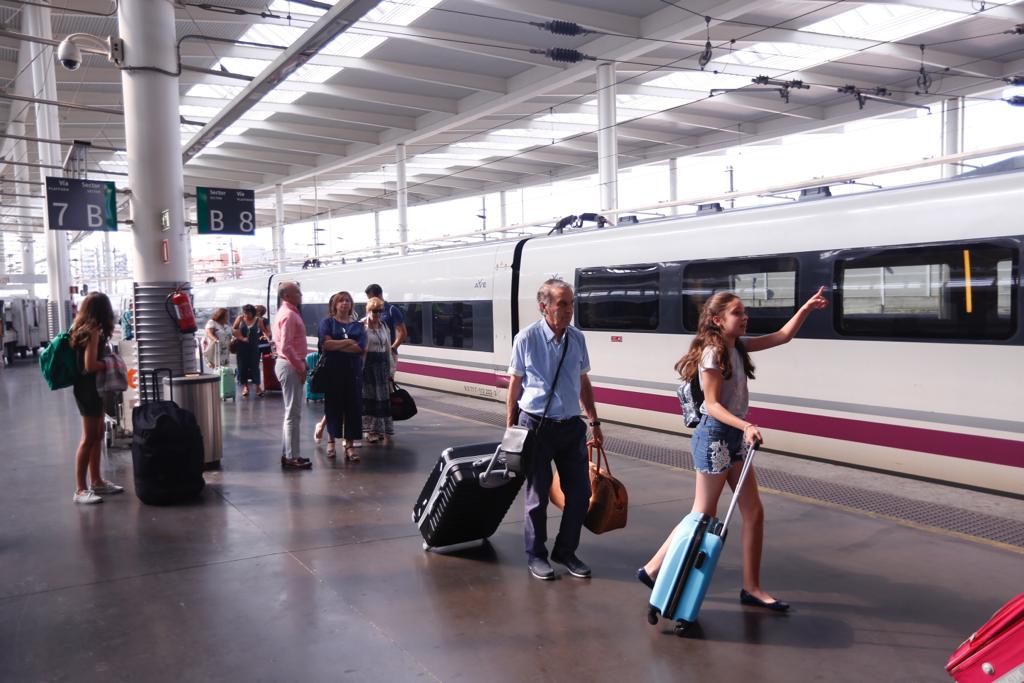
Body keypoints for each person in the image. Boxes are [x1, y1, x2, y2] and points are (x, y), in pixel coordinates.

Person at [637, 286, 829, 610]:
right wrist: (747, 426)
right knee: (703, 513)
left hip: (734, 436)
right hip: (714, 435)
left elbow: (782, 336)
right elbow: (711, 405)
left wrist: (807, 308)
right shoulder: (713, 353)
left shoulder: (736, 347)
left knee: (753, 511)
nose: (745, 317)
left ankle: (752, 588)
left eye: (744, 312)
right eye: (738, 313)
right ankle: (653, 567)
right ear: (717, 319)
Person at [506, 278, 603, 581]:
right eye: (562, 303)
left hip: (570, 426)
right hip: (535, 426)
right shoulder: (526, 339)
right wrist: (510, 426)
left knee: (580, 493)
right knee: (538, 495)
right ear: (544, 306)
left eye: (571, 303)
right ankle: (536, 554)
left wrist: (594, 421)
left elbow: (583, 381)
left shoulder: (577, 338)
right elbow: (515, 383)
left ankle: (565, 550)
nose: (569, 310)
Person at [69, 292, 124, 504]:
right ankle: (81, 489)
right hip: (88, 389)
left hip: (90, 389)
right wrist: (113, 364)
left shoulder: (83, 329)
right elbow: (90, 366)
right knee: (88, 438)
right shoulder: (92, 332)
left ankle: (97, 481)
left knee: (98, 434)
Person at [318, 291, 366, 461]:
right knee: (333, 407)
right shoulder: (327, 323)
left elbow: (360, 348)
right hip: (333, 372)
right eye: (341, 301)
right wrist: (348, 342)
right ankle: (331, 441)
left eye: (347, 301)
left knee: (353, 408)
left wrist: (337, 344)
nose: (344, 303)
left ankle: (350, 445)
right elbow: (326, 344)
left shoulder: (358, 326)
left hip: (353, 374)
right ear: (335, 305)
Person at [273, 282, 311, 470]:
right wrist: (301, 367)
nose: (300, 294)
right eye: (297, 292)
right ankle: (292, 456)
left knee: (291, 412)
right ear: (287, 295)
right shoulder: (289, 315)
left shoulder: (284, 312)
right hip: (290, 366)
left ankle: (287, 453)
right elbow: (286, 346)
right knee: (293, 413)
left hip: (287, 364)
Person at [362, 297, 395, 445]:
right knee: (369, 400)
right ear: (368, 311)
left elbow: (388, 349)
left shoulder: (383, 326)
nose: (377, 314)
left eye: (380, 311)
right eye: (375, 311)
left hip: (381, 367)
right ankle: (369, 431)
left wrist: (391, 369)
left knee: (382, 400)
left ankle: (380, 430)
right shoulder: (362, 326)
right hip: (368, 367)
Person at [232, 304, 268, 398]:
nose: (246, 315)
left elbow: (264, 330)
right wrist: (241, 337)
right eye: (244, 313)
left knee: (255, 366)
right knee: (242, 366)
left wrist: (266, 335)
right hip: (242, 347)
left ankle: (257, 387)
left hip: (254, 347)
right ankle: (245, 386)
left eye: (248, 313)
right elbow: (234, 329)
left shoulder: (258, 320)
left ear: (253, 313)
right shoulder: (240, 318)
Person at [364, 284, 406, 358]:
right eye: (369, 299)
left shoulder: (391, 310)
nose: (370, 301)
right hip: (372, 354)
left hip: (388, 353)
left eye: (372, 298)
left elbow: (402, 332)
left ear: (380, 295)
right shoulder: (369, 310)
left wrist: (393, 348)